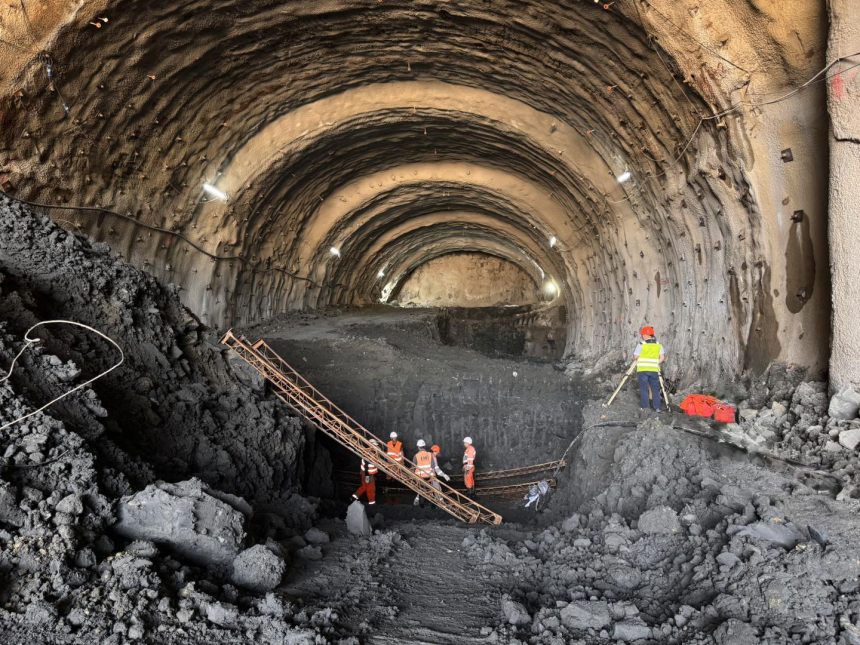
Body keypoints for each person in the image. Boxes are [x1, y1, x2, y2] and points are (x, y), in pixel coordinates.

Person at [633, 325, 666, 412]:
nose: (642, 336)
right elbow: (662, 358)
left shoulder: (641, 344)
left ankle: (645, 407)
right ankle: (657, 408)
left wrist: (639, 359)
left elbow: (635, 356)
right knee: (655, 389)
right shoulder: (659, 345)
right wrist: (655, 363)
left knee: (644, 389)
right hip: (654, 370)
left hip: (643, 370)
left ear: (645, 335)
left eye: (642, 335)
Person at [352, 440, 380, 506]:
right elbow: (367, 465)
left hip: (366, 473)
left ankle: (354, 497)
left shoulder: (367, 452)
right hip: (368, 474)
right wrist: (367, 477)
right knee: (371, 488)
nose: (376, 447)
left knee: (364, 486)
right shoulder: (370, 454)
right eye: (375, 446)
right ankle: (371, 502)